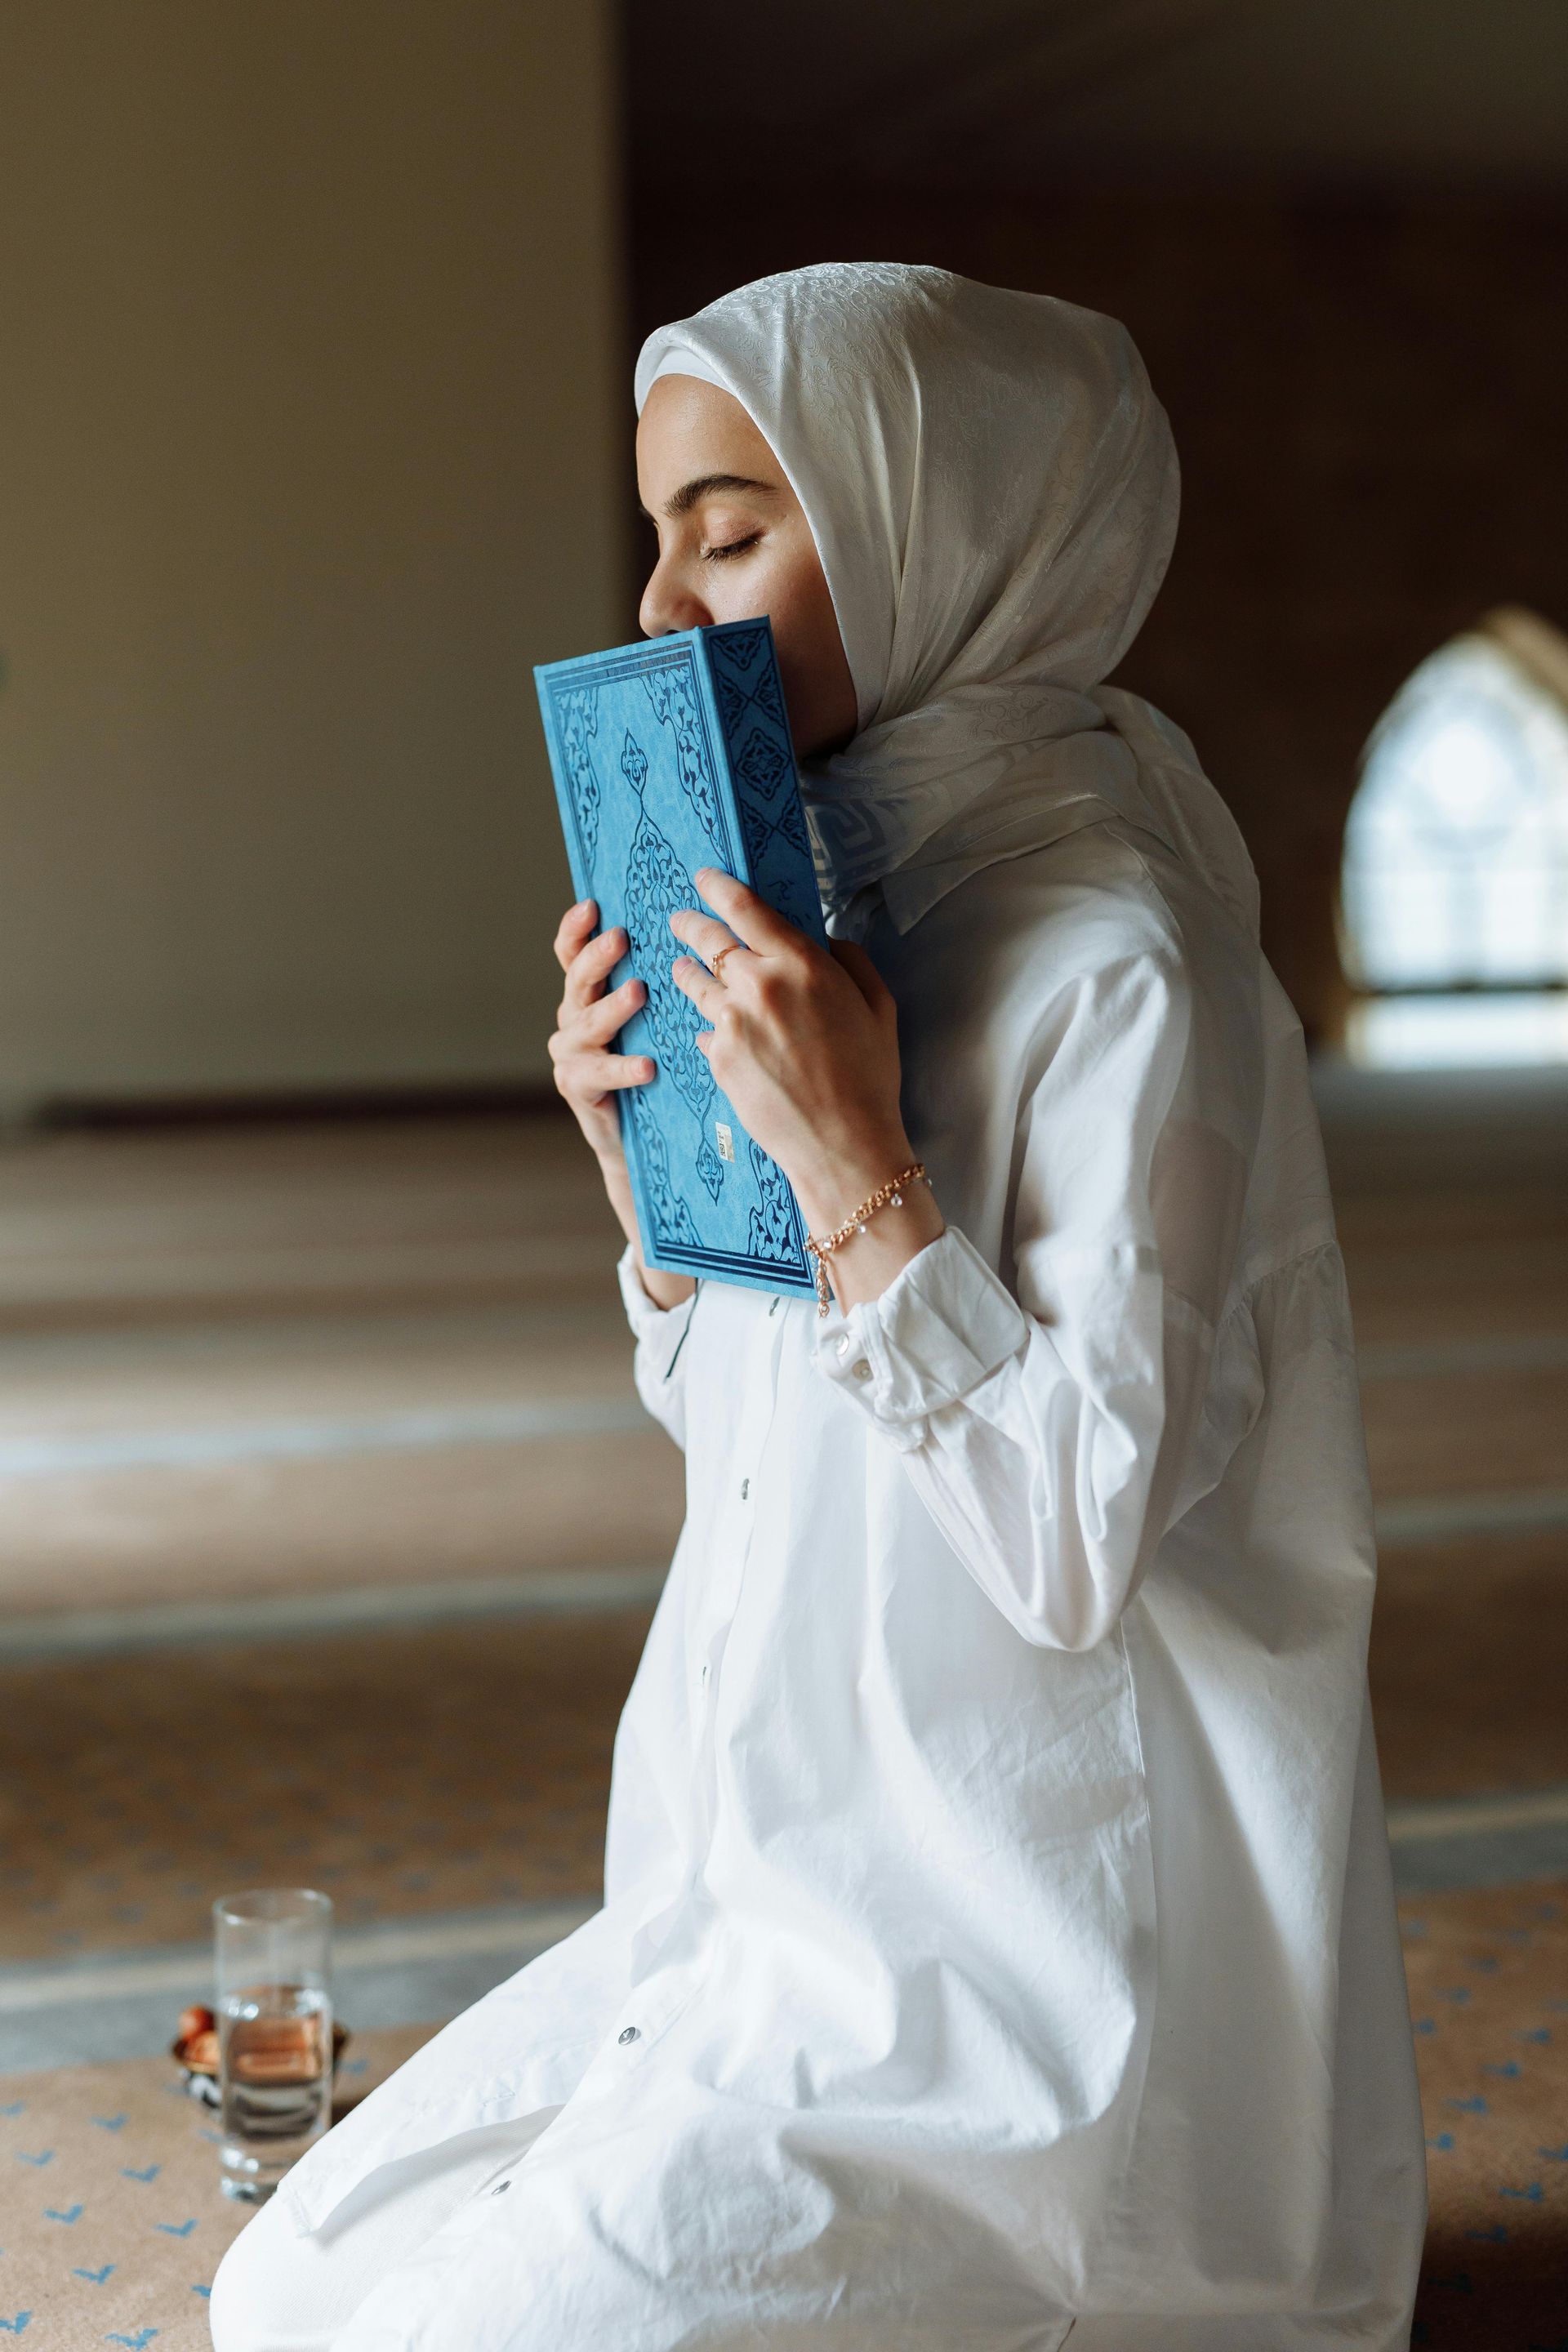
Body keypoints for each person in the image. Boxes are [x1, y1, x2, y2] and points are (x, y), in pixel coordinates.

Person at [210, 263, 1427, 2352]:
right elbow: (770, 1448)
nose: (670, 608)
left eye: (736, 530)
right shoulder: (834, 916)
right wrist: (657, 1187)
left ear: (937, 535)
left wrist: (859, 1159)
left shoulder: (1124, 971)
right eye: (663, 532)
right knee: (288, 2286)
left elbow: (1065, 1548)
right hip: (772, 1897)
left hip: (1027, 1972)